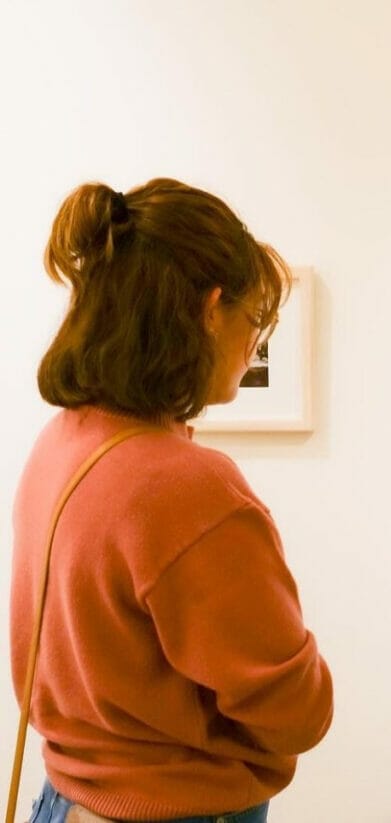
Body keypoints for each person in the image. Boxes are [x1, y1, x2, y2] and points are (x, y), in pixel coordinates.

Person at [10, 179, 333, 822]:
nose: (252, 346)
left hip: (65, 800)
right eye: (255, 322)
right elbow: (296, 710)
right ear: (212, 309)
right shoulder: (187, 488)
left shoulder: (63, 441)